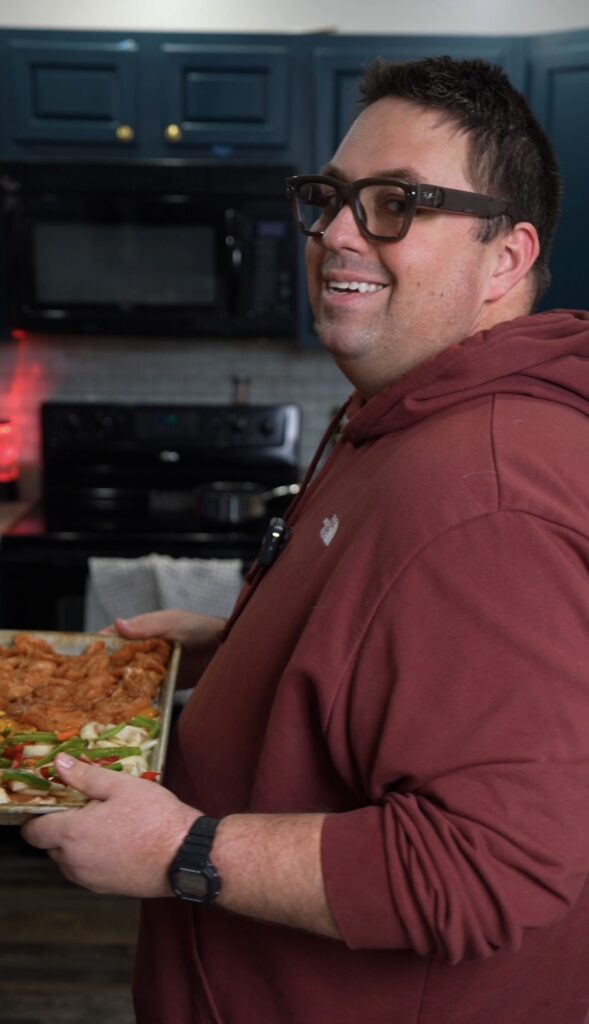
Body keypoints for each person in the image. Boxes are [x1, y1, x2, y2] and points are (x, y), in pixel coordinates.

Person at [23, 55, 589, 1024]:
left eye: (394, 201)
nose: (334, 231)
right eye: (329, 197)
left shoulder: (489, 493)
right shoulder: (410, 410)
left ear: (506, 257)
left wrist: (180, 852)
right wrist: (256, 654)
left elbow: (490, 863)